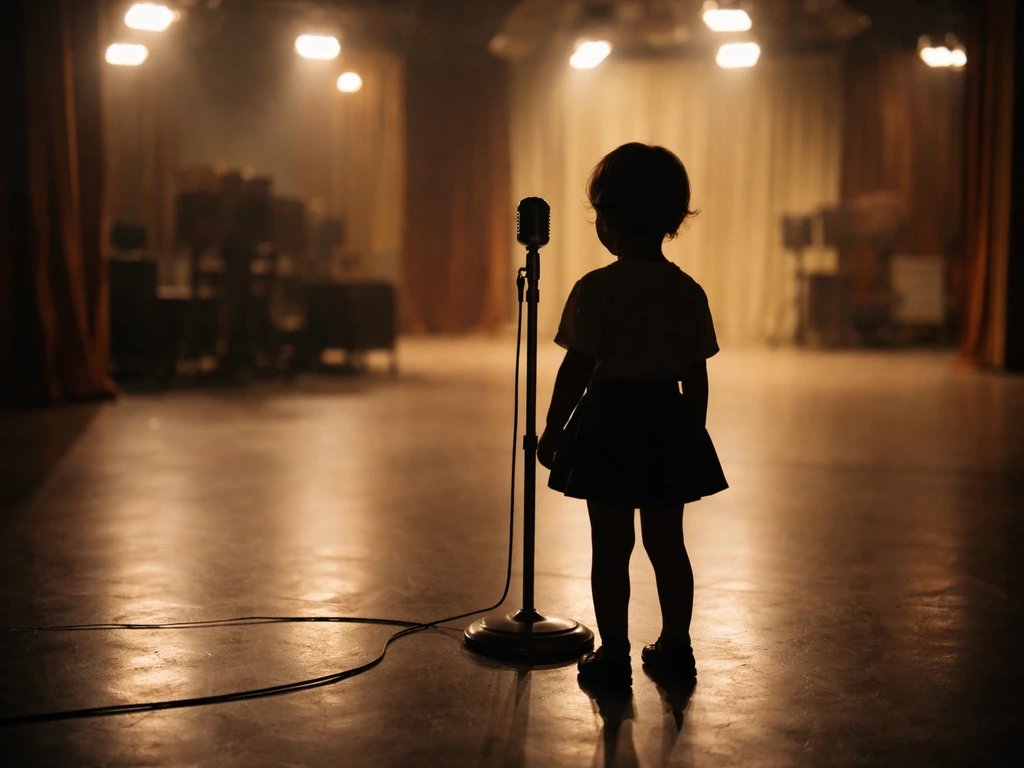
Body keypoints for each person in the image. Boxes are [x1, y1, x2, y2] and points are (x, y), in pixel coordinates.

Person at [537, 143, 728, 691]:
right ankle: (676, 646)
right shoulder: (687, 291)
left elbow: (576, 369)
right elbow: (697, 375)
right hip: (668, 420)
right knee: (668, 545)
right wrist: (691, 429)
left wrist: (555, 428)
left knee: (611, 546)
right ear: (672, 219)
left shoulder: (597, 289)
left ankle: (614, 654)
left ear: (610, 221)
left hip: (610, 423)